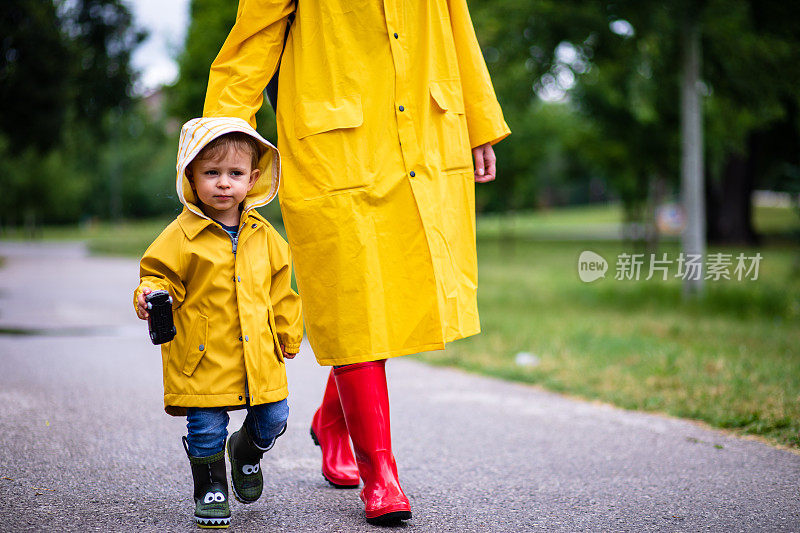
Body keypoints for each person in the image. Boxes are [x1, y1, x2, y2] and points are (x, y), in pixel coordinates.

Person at [204, 0, 510, 525]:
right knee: (354, 301)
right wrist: (219, 146)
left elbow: (457, 23)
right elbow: (249, 45)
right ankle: (381, 474)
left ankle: (331, 422)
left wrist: (479, 121)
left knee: (393, 296)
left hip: (423, 130)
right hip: (334, 148)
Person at [133, 116, 303, 529]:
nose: (223, 183)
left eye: (235, 174)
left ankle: (246, 451)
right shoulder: (180, 236)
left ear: (253, 178)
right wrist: (150, 294)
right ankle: (210, 487)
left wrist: (287, 332)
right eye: (212, 173)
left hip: (258, 353)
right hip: (202, 355)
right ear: (191, 176)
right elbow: (157, 275)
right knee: (207, 426)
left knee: (275, 417)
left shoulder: (265, 236)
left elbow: (282, 289)